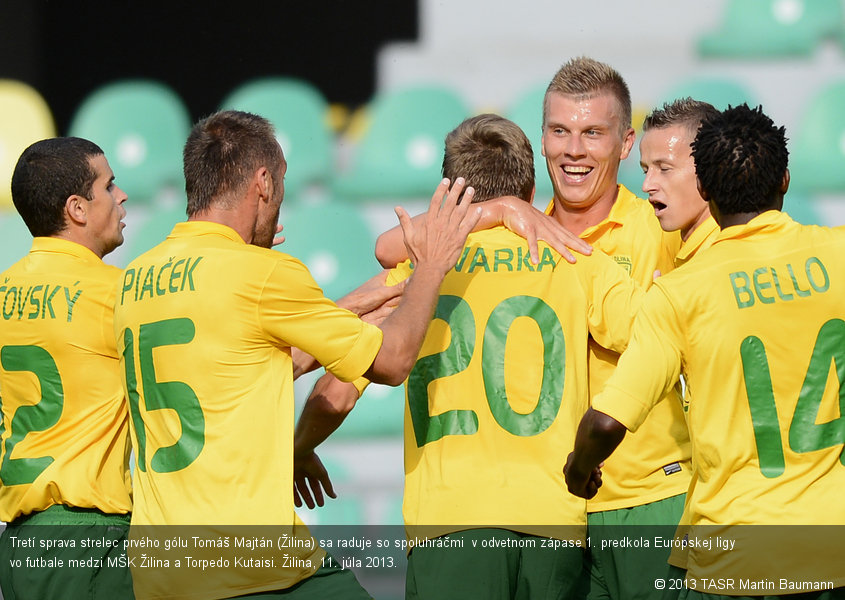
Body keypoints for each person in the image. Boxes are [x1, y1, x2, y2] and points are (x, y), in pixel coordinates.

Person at [112, 109, 481, 600]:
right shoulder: (262, 273)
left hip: (160, 569)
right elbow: (392, 362)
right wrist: (432, 267)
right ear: (262, 182)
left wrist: (367, 299)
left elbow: (243, 365)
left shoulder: (136, 277)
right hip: (250, 565)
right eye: (281, 186)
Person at [375, 57, 690, 600]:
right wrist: (496, 210)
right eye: (560, 131)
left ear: (626, 144)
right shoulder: (521, 231)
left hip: (643, 501)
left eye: (593, 133)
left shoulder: (663, 228)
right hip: (557, 515)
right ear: (542, 139)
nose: (573, 149)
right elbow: (388, 247)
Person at [564, 104, 845, 598]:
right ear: (784, 179)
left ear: (707, 190)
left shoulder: (681, 292)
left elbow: (607, 421)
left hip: (735, 557)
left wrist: (578, 470)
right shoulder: (837, 254)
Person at [0, 137, 134, 599]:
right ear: (77, 208)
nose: (122, 196)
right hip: (88, 539)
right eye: (109, 185)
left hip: (19, 546)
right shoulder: (115, 292)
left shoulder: (2, 290)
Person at [640, 98, 720, 269]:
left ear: (710, 169)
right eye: (645, 171)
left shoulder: (720, 258)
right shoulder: (671, 242)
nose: (646, 186)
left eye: (664, 169)